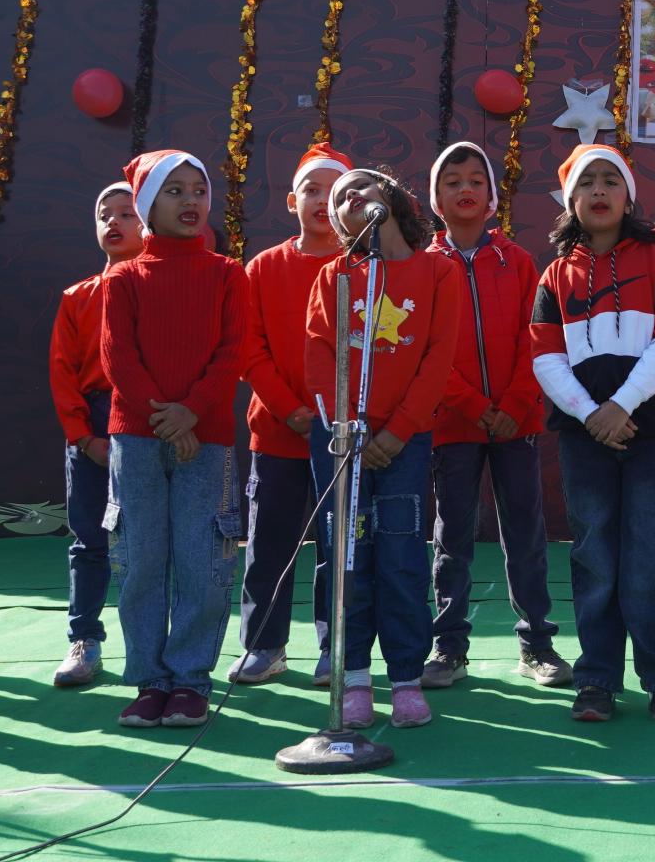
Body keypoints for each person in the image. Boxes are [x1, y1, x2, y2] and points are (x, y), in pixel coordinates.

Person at [530, 145, 655, 723]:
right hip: (585, 439)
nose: (599, 190)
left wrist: (621, 406)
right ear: (570, 199)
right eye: (587, 182)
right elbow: (545, 358)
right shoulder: (554, 275)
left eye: (610, 180)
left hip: (654, 433)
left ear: (628, 197)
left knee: (652, 556)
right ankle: (596, 678)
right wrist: (590, 414)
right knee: (595, 554)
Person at [304, 167, 461, 729]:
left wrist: (397, 432)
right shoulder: (336, 275)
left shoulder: (438, 271)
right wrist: (347, 426)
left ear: (391, 198)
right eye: (339, 197)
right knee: (348, 556)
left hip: (404, 442)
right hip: (342, 441)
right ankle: (353, 677)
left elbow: (438, 357)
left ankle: (405, 678)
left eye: (361, 186)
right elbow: (320, 353)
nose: (350, 195)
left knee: (400, 555)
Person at [100, 150, 249, 730]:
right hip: (137, 440)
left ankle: (189, 681)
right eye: (174, 190)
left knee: (200, 559)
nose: (190, 201)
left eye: (198, 189)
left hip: (204, 438)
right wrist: (167, 419)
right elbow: (117, 357)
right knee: (140, 560)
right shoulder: (123, 277)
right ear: (146, 205)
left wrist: (191, 414)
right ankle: (149, 680)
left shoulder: (227, 273)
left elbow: (231, 353)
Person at [423, 140, 571, 690]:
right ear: (436, 199)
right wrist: (474, 406)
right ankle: (448, 648)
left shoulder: (519, 261)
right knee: (453, 537)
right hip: (453, 424)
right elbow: (427, 352)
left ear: (491, 196)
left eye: (475, 180)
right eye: (452, 182)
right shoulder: (424, 267)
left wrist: (511, 405)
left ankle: (538, 645)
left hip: (517, 422)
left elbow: (538, 340)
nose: (465, 189)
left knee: (526, 535)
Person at [232, 143, 349, 687]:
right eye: (311, 190)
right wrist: (290, 409)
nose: (323, 201)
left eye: (334, 191)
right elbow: (248, 350)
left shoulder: (361, 268)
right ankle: (264, 646)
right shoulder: (262, 268)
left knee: (337, 547)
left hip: (342, 436)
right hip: (277, 433)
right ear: (290, 200)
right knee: (269, 544)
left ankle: (335, 646)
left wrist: (333, 414)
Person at [46, 180, 142, 687]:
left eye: (127, 213)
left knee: (150, 542)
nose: (114, 222)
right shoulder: (77, 296)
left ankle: (153, 649)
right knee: (89, 540)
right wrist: (84, 437)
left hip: (146, 418)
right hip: (92, 421)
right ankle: (84, 639)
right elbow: (62, 372)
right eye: (105, 214)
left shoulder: (159, 289)